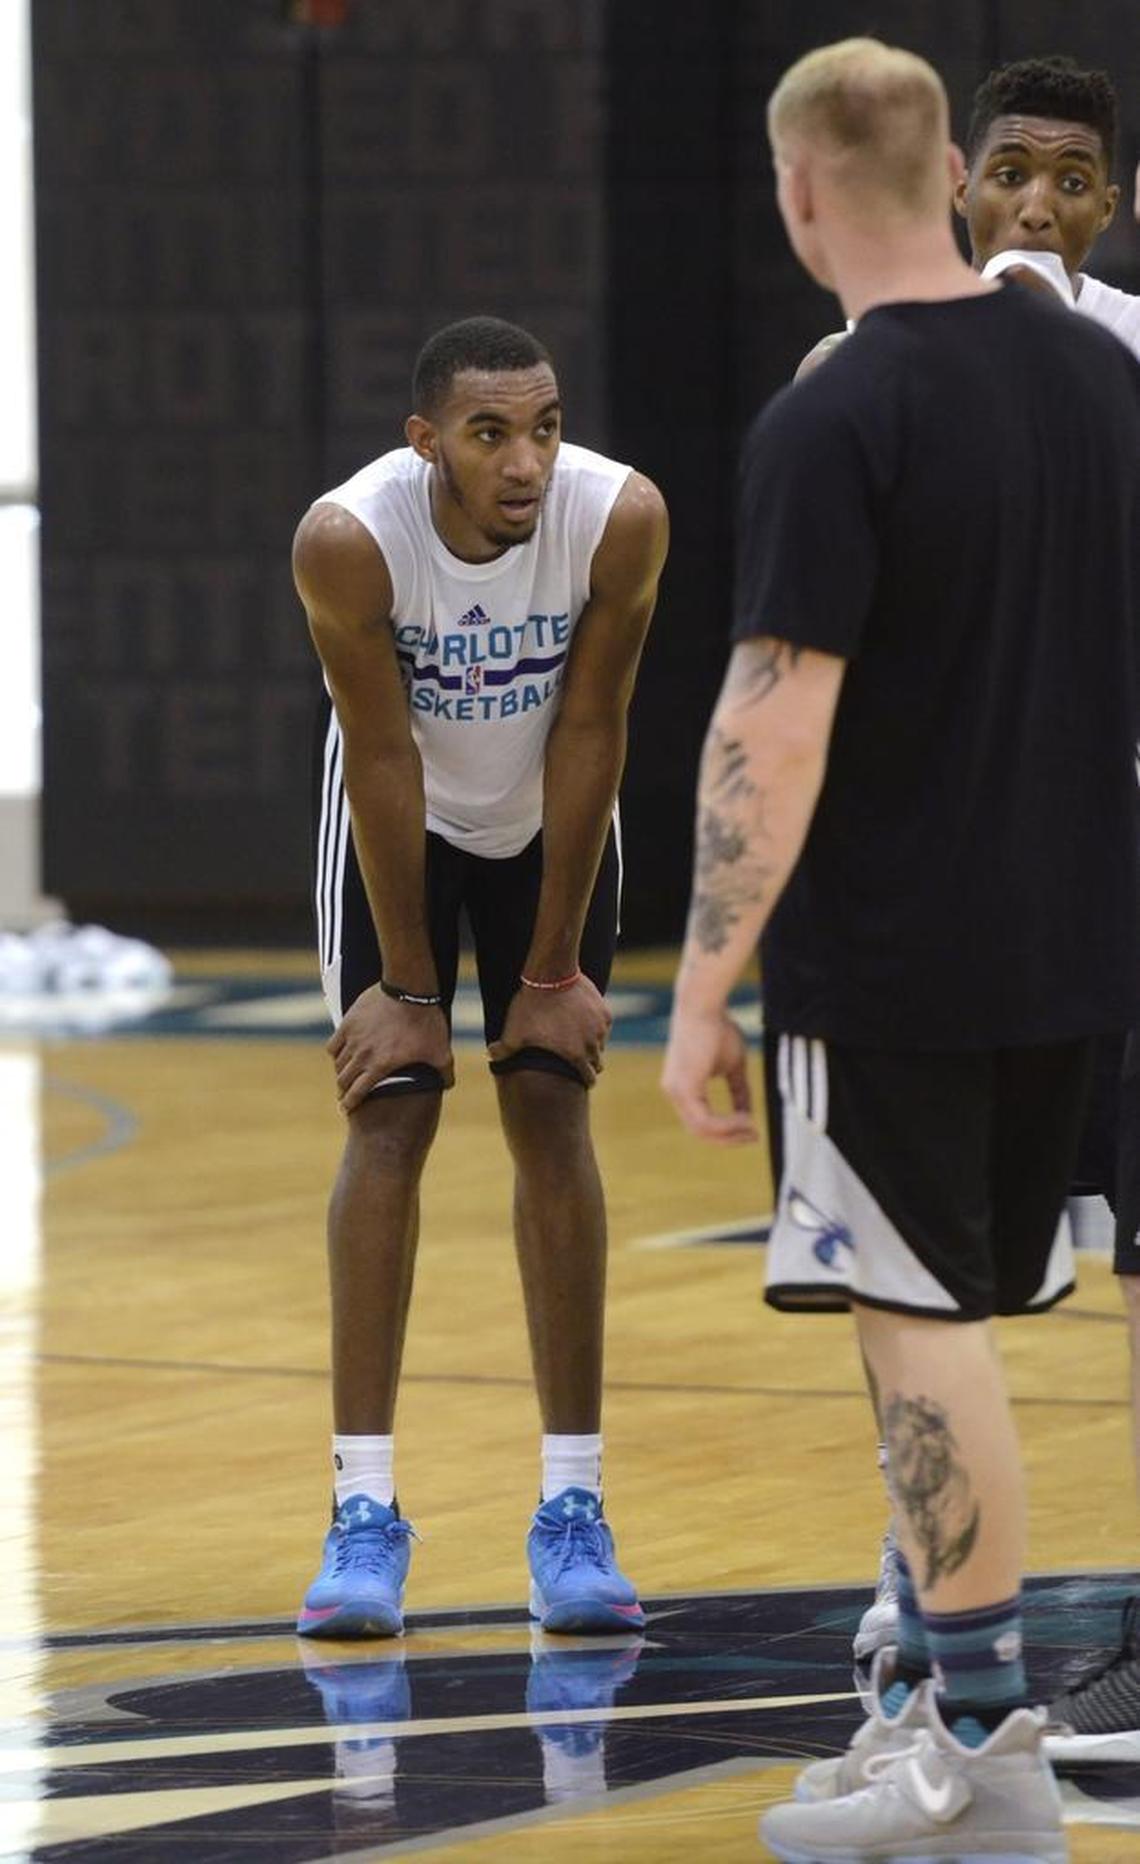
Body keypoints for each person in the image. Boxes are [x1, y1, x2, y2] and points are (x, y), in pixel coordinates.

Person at [662, 37, 1140, 1861]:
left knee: (918, 1339)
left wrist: (704, 986)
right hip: (1081, 952)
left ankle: (987, 1748)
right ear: (951, 167)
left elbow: (771, 724)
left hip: (895, 962)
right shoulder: (1106, 388)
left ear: (803, 195)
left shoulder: (834, 411)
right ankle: (950, 1718)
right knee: (970, 1333)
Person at [807, 53, 1140, 1678]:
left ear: (1114, 208)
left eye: (1075, 179)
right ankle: (921, 1587)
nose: (1039, 203)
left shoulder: (1135, 368)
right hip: (957, 902)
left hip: (1117, 876)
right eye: (1014, 168)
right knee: (939, 1271)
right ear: (961, 185)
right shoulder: (865, 366)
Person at [292, 315, 668, 1639]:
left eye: (546, 427)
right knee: (390, 1110)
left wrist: (552, 960)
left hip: (549, 809)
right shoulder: (351, 538)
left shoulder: (617, 520)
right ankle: (361, 1514)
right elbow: (383, 760)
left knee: (551, 1104)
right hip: (405, 817)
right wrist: (406, 985)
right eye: (490, 434)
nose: (526, 461)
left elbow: (594, 724)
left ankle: (573, 1510)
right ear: (426, 444)